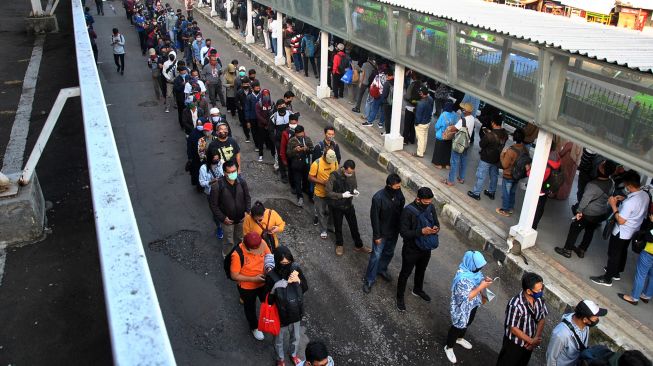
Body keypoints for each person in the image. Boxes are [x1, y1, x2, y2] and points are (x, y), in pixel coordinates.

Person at [591, 170, 650, 286]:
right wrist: (624, 199)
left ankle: (607, 278)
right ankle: (616, 272)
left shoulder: (631, 203)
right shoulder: (645, 195)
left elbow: (621, 220)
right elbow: (637, 207)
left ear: (629, 185)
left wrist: (613, 205)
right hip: (633, 230)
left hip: (621, 231)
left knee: (613, 254)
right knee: (622, 252)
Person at [555, 160, 616, 259]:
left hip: (588, 213)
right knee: (590, 231)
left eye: (601, 165)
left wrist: (579, 211)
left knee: (574, 228)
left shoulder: (593, 185)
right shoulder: (611, 182)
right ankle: (582, 250)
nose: (598, 165)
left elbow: (584, 201)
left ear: (602, 170)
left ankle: (567, 250)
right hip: (600, 213)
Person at [445, 251, 494, 364]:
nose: (479, 269)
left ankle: (459, 339)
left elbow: (478, 279)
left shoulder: (474, 271)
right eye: (478, 267)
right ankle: (449, 347)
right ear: (471, 264)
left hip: (472, 305)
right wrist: (481, 286)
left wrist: (484, 281)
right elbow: (467, 297)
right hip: (462, 306)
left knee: (468, 322)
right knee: (457, 326)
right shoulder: (462, 278)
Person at [396, 187, 440, 312]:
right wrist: (421, 231)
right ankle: (399, 298)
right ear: (418, 199)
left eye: (430, 202)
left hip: (425, 248)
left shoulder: (430, 207)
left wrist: (436, 228)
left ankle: (418, 289)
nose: (428, 204)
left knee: (421, 270)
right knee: (405, 273)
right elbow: (404, 233)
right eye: (425, 202)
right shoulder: (408, 211)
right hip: (411, 249)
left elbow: (436, 222)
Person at [265, 246, 308, 366]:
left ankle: (293, 355)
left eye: (288, 262)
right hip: (279, 315)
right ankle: (280, 359)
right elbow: (268, 299)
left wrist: (298, 281)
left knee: (296, 337)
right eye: (283, 263)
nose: (286, 265)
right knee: (278, 340)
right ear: (277, 262)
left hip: (295, 311)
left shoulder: (295, 269)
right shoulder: (271, 276)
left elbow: (305, 288)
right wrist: (279, 286)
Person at [363, 173, 405, 293]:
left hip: (394, 232)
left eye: (399, 186)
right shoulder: (378, 198)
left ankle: (382, 269)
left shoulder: (398, 194)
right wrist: (377, 236)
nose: (398, 189)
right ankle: (369, 280)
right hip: (381, 234)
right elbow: (374, 218)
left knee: (389, 253)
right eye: (396, 187)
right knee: (376, 256)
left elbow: (401, 209)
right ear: (389, 185)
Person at [496, 272, 548, 366]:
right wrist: (531, 341)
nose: (541, 291)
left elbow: (542, 318)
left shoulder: (539, 300)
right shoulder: (515, 305)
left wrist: (535, 338)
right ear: (529, 291)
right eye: (539, 290)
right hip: (514, 345)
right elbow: (513, 328)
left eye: (542, 288)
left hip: (529, 345)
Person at [229, 232, 270, 341]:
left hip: (263, 283)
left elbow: (269, 257)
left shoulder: (262, 243)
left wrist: (269, 269)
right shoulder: (237, 255)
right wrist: (253, 279)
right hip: (247, 288)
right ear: (247, 247)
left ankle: (268, 319)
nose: (259, 252)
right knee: (250, 307)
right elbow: (234, 276)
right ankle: (254, 327)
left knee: (267, 301)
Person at [325, 160, 370, 256]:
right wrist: (342, 195)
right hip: (337, 206)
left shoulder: (352, 173)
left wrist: (355, 191)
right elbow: (328, 193)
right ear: (344, 169)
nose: (350, 174)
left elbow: (354, 185)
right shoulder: (334, 175)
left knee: (354, 226)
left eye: (352, 172)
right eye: (349, 172)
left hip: (348, 205)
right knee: (338, 226)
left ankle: (359, 245)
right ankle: (339, 244)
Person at [546, 300, 607, 366]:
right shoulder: (561, 334)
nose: (597, 318)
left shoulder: (585, 326)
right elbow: (551, 358)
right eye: (595, 317)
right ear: (585, 320)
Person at [209, 159, 251, 257]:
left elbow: (247, 197)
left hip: (241, 218)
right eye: (230, 172)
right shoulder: (217, 186)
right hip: (227, 221)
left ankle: (244, 255)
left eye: (234, 171)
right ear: (224, 173)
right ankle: (227, 258)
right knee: (228, 241)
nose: (233, 174)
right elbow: (213, 205)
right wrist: (223, 218)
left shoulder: (242, 182)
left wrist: (247, 212)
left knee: (242, 237)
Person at [467, 115, 508, 200]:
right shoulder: (505, 135)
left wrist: (488, 134)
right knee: (494, 176)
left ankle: (476, 193)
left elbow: (481, 144)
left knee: (481, 176)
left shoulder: (489, 136)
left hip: (486, 158)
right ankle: (491, 192)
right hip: (496, 159)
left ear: (493, 123)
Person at [619, 213, 653, 305]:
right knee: (652, 276)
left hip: (649, 252)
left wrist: (652, 223)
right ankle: (646, 295)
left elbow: (649, 237)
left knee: (641, 275)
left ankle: (634, 298)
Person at [309, 149, 339, 240]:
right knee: (320, 213)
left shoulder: (334, 161)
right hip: (320, 193)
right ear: (324, 156)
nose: (330, 163)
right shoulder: (316, 164)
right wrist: (322, 182)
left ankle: (330, 225)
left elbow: (337, 173)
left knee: (333, 211)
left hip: (331, 192)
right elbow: (310, 177)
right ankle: (323, 230)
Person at [496, 128, 526, 217]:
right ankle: (511, 208)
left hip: (509, 175)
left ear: (514, 138)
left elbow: (505, 165)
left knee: (506, 193)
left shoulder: (511, 150)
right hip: (517, 175)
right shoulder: (524, 149)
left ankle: (505, 210)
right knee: (512, 192)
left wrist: (502, 155)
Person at [443, 102, 474, 185]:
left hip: (459, 143)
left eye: (463, 109)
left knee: (454, 161)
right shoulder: (472, 118)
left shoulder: (463, 120)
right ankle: (461, 178)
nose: (462, 109)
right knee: (463, 160)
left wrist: (449, 127)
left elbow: (454, 128)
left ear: (465, 111)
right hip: (466, 143)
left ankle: (450, 181)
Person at [199, 148, 224, 238]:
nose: (217, 161)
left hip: (223, 190)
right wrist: (210, 182)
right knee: (215, 212)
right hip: (211, 193)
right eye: (214, 159)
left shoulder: (221, 162)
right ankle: (219, 227)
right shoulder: (203, 168)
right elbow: (201, 182)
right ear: (209, 158)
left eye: (218, 159)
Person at [287, 125, 314, 207]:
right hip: (296, 164)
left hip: (306, 164)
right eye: (298, 134)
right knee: (297, 181)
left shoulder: (307, 139)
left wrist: (306, 149)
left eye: (301, 134)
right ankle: (300, 197)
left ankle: (309, 194)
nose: (299, 136)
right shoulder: (292, 141)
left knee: (307, 180)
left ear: (303, 132)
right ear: (295, 134)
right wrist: (295, 150)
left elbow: (312, 150)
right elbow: (288, 154)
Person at [431, 101, 457, 168]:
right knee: (447, 150)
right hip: (450, 136)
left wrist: (436, 130)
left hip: (441, 135)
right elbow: (455, 124)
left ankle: (438, 164)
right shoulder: (454, 114)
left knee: (439, 150)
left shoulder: (444, 114)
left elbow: (437, 125)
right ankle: (447, 164)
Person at [412, 86, 434, 158]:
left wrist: (416, 123)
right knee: (424, 137)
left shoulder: (420, 104)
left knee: (420, 138)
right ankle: (423, 150)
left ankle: (420, 153)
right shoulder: (430, 99)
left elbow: (418, 116)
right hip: (427, 121)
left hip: (421, 124)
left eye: (420, 92)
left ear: (422, 93)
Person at [255, 90, 275, 162]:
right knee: (261, 140)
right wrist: (265, 122)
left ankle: (273, 154)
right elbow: (258, 115)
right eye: (265, 95)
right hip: (261, 125)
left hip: (270, 125)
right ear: (262, 96)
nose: (266, 96)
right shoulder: (258, 104)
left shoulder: (272, 103)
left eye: (267, 95)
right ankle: (261, 154)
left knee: (272, 140)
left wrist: (270, 123)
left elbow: (274, 113)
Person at [402, 71, 421, 145]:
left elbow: (408, 96)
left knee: (407, 124)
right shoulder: (422, 85)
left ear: (414, 76)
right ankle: (412, 139)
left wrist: (404, 96)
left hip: (410, 106)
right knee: (413, 124)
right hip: (417, 107)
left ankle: (405, 140)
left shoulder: (412, 85)